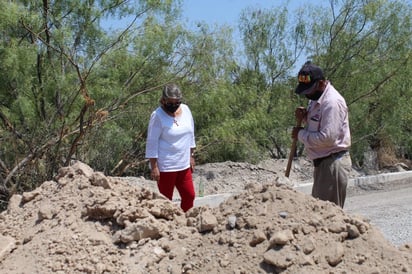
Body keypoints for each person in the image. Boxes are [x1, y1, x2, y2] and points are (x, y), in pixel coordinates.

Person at [292, 62, 352, 208]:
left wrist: (300, 134)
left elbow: (327, 138)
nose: (307, 94)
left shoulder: (331, 102)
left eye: (309, 90)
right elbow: (318, 124)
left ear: (320, 83)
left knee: (329, 219)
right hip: (323, 164)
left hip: (332, 164)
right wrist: (305, 117)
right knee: (320, 214)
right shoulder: (316, 100)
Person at [145, 84, 196, 212]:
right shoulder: (157, 116)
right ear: (163, 100)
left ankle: (186, 221)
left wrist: (191, 155)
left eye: (176, 102)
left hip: (183, 164)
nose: (173, 105)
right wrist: (154, 166)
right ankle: (167, 226)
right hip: (166, 167)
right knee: (166, 201)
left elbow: (190, 134)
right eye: (170, 102)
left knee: (189, 196)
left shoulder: (186, 110)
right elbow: (152, 142)